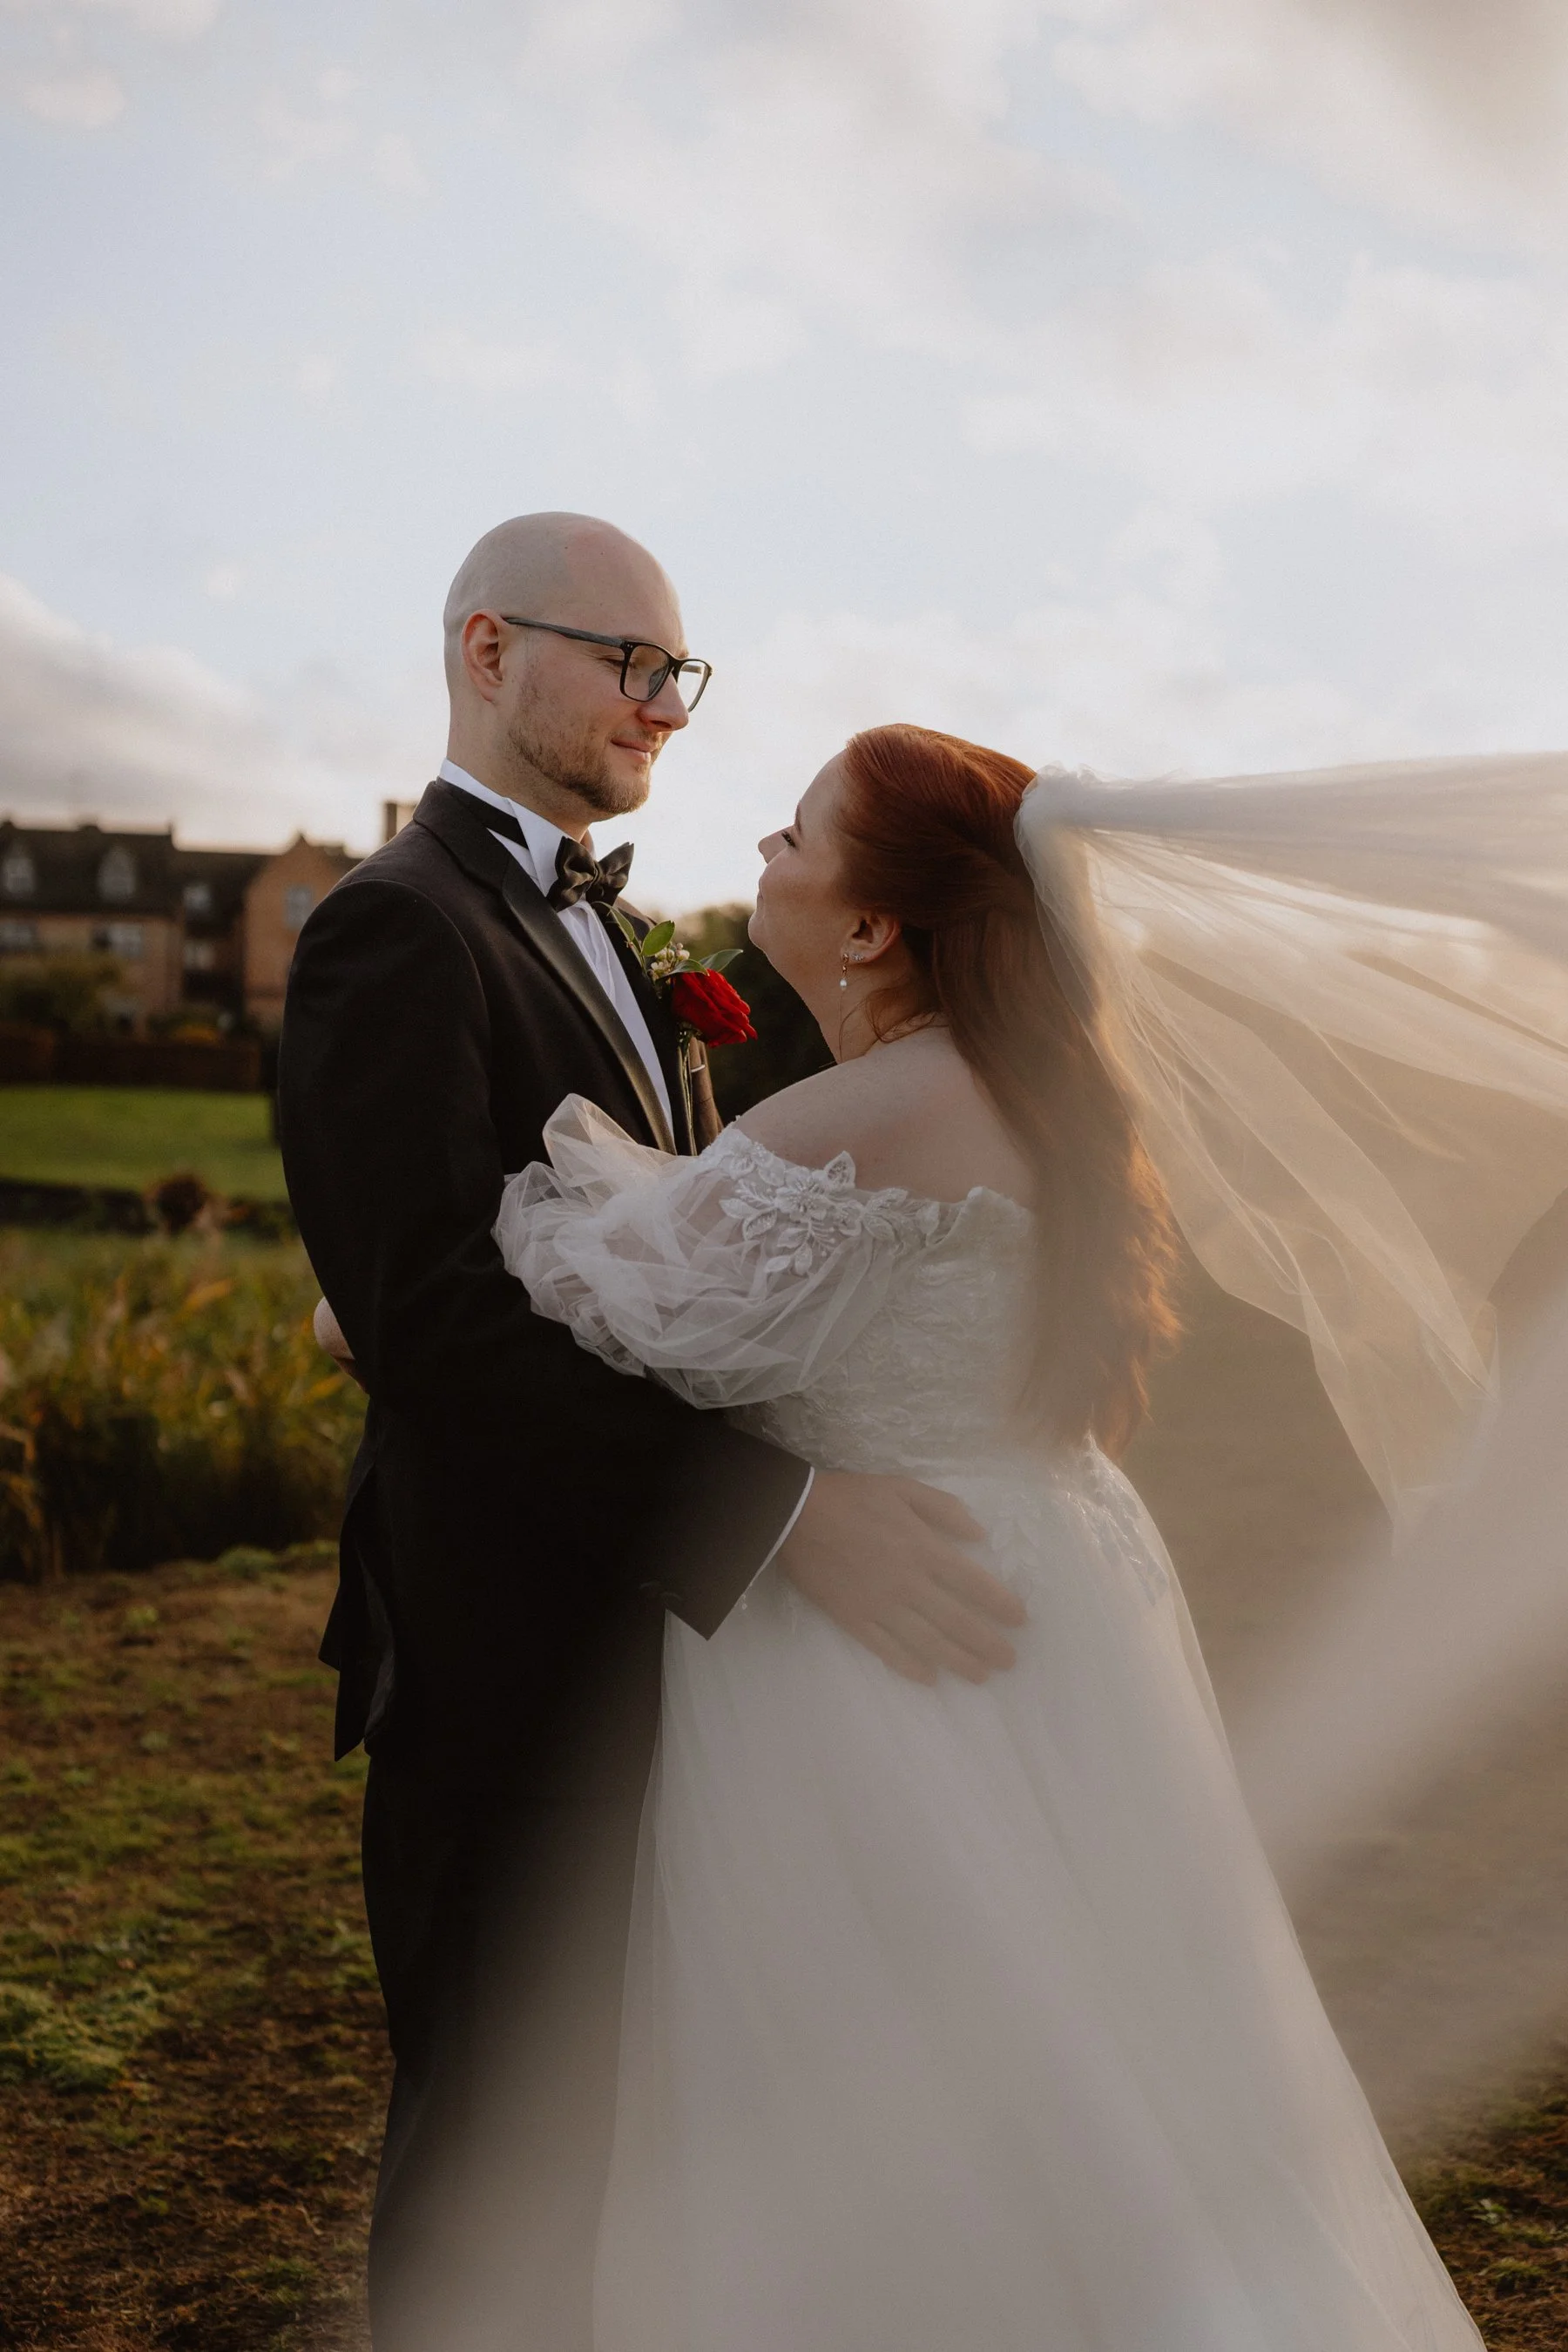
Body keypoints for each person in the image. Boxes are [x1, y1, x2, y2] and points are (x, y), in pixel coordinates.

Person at [492, 722, 1517, 2349]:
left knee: (882, 2082)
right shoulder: (1043, 1099)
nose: (765, 845)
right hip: (1057, 1585)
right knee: (1095, 2040)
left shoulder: (862, 1117)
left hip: (879, 1639)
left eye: (798, 831)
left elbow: (587, 1311)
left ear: (873, 923)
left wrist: (360, 1313)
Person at [277, 522, 1024, 2352]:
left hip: (666, 1651)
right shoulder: (395, 929)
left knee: (660, 2138)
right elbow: (437, 1322)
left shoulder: (633, 939)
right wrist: (776, 1518)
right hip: (503, 1643)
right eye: (624, 661)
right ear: (483, 650)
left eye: (676, 674)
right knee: (501, 2154)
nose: (660, 709)